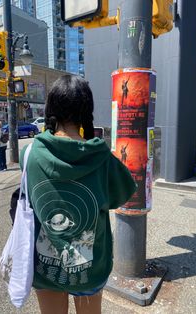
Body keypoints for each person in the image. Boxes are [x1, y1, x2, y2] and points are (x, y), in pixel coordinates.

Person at [20, 75, 136, 314]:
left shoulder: (30, 153)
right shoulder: (103, 158)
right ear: (86, 110)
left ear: (51, 108)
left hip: (45, 267)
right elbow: (123, 193)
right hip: (90, 267)